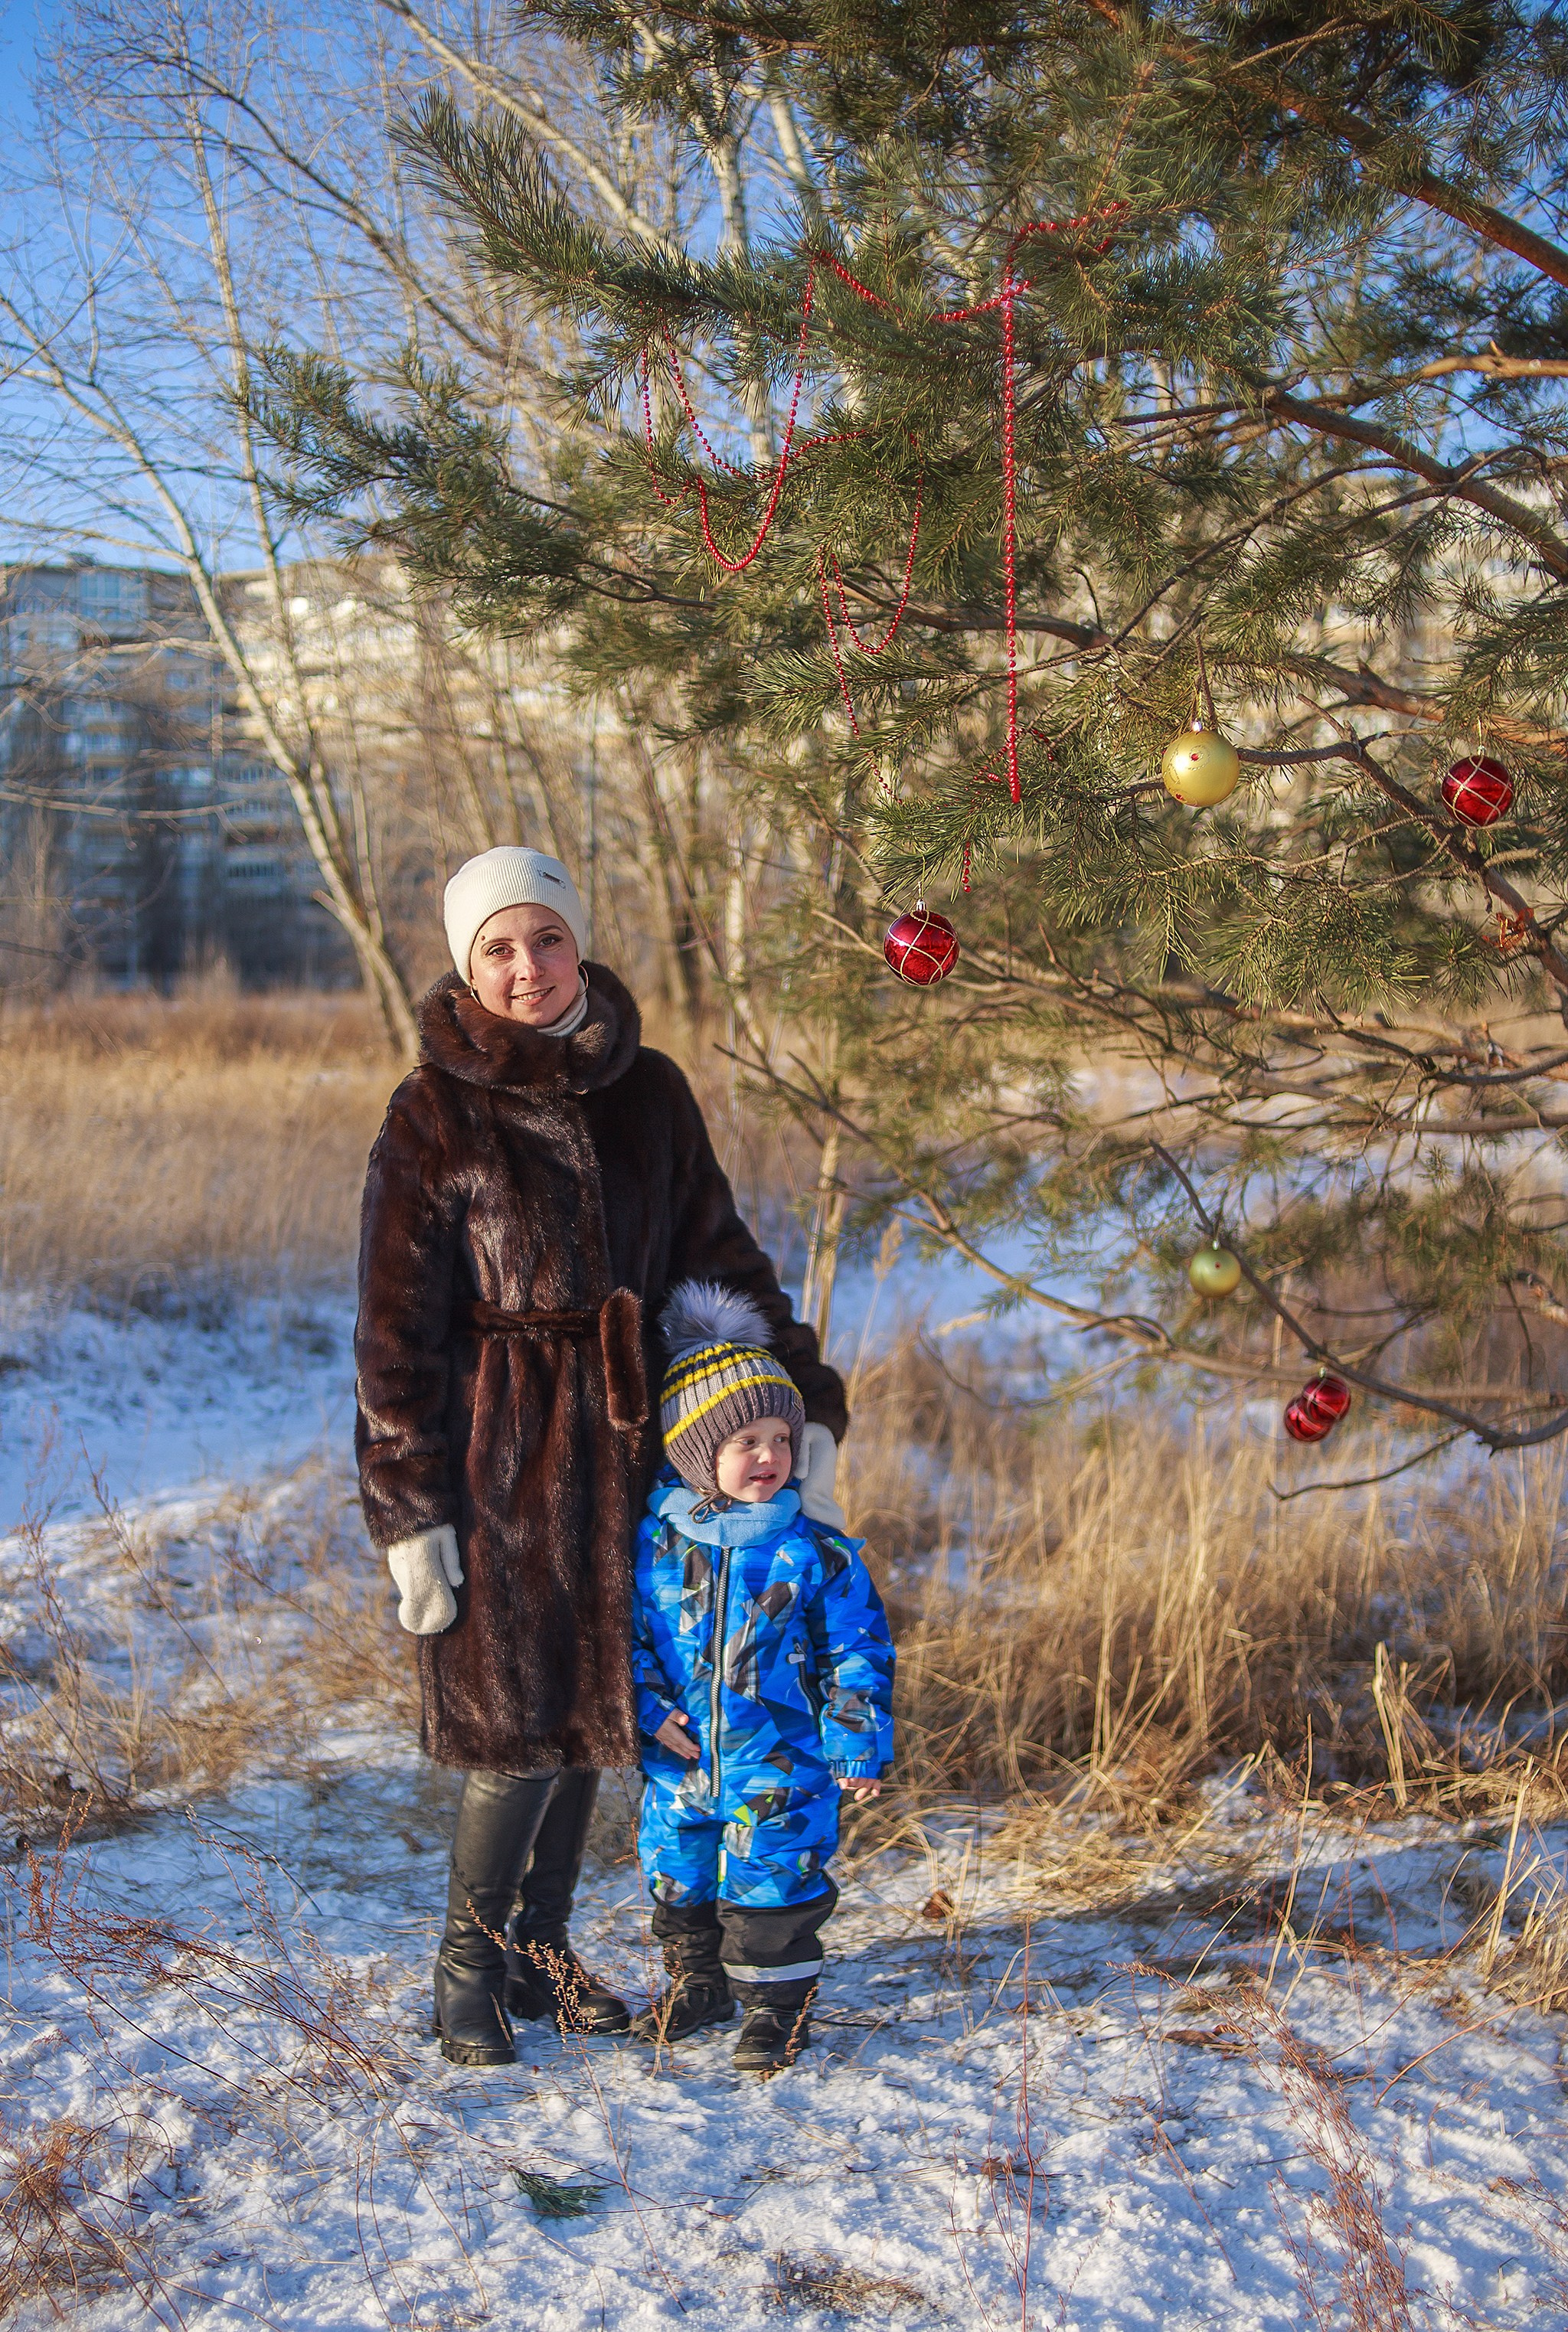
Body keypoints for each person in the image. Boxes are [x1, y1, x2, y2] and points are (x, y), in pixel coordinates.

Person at [354, 847, 848, 2067]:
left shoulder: (653, 1091)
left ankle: (541, 1951)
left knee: (597, 1717)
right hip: (499, 1457)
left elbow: (719, 1259)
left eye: (548, 940)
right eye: (499, 950)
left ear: (580, 944)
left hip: (638, 1451)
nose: (528, 968)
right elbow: (392, 1331)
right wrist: (410, 1507)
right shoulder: (432, 1111)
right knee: (514, 1725)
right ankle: (463, 1973)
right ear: (469, 968)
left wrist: (802, 1396)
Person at [629, 1281, 893, 2073]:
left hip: (781, 1763)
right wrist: (643, 1711)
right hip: (678, 1763)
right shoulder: (653, 1546)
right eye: (746, 1442)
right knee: (679, 1882)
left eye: (782, 1438)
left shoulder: (813, 1551)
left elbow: (856, 1650)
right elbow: (627, 1642)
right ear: (695, 1453)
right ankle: (699, 1985)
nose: (771, 1456)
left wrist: (855, 1741)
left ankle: (776, 2012)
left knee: (772, 1891)